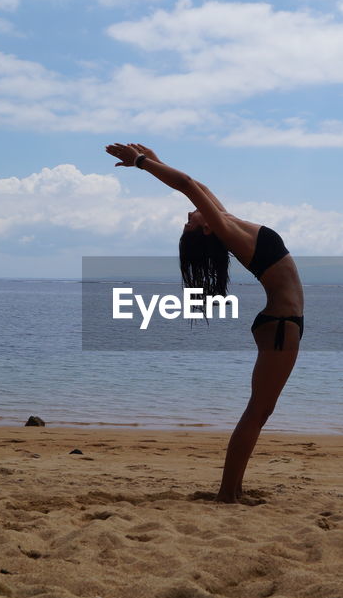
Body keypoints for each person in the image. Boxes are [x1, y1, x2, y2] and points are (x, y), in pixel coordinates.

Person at [106, 142, 303, 504]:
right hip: (280, 324)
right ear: (207, 231)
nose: (190, 214)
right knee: (258, 411)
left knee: (261, 410)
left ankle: (234, 488)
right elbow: (188, 186)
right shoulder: (225, 230)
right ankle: (228, 492)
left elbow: (198, 188)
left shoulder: (225, 224)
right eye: (190, 222)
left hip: (281, 323)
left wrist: (155, 160)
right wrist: (142, 163)